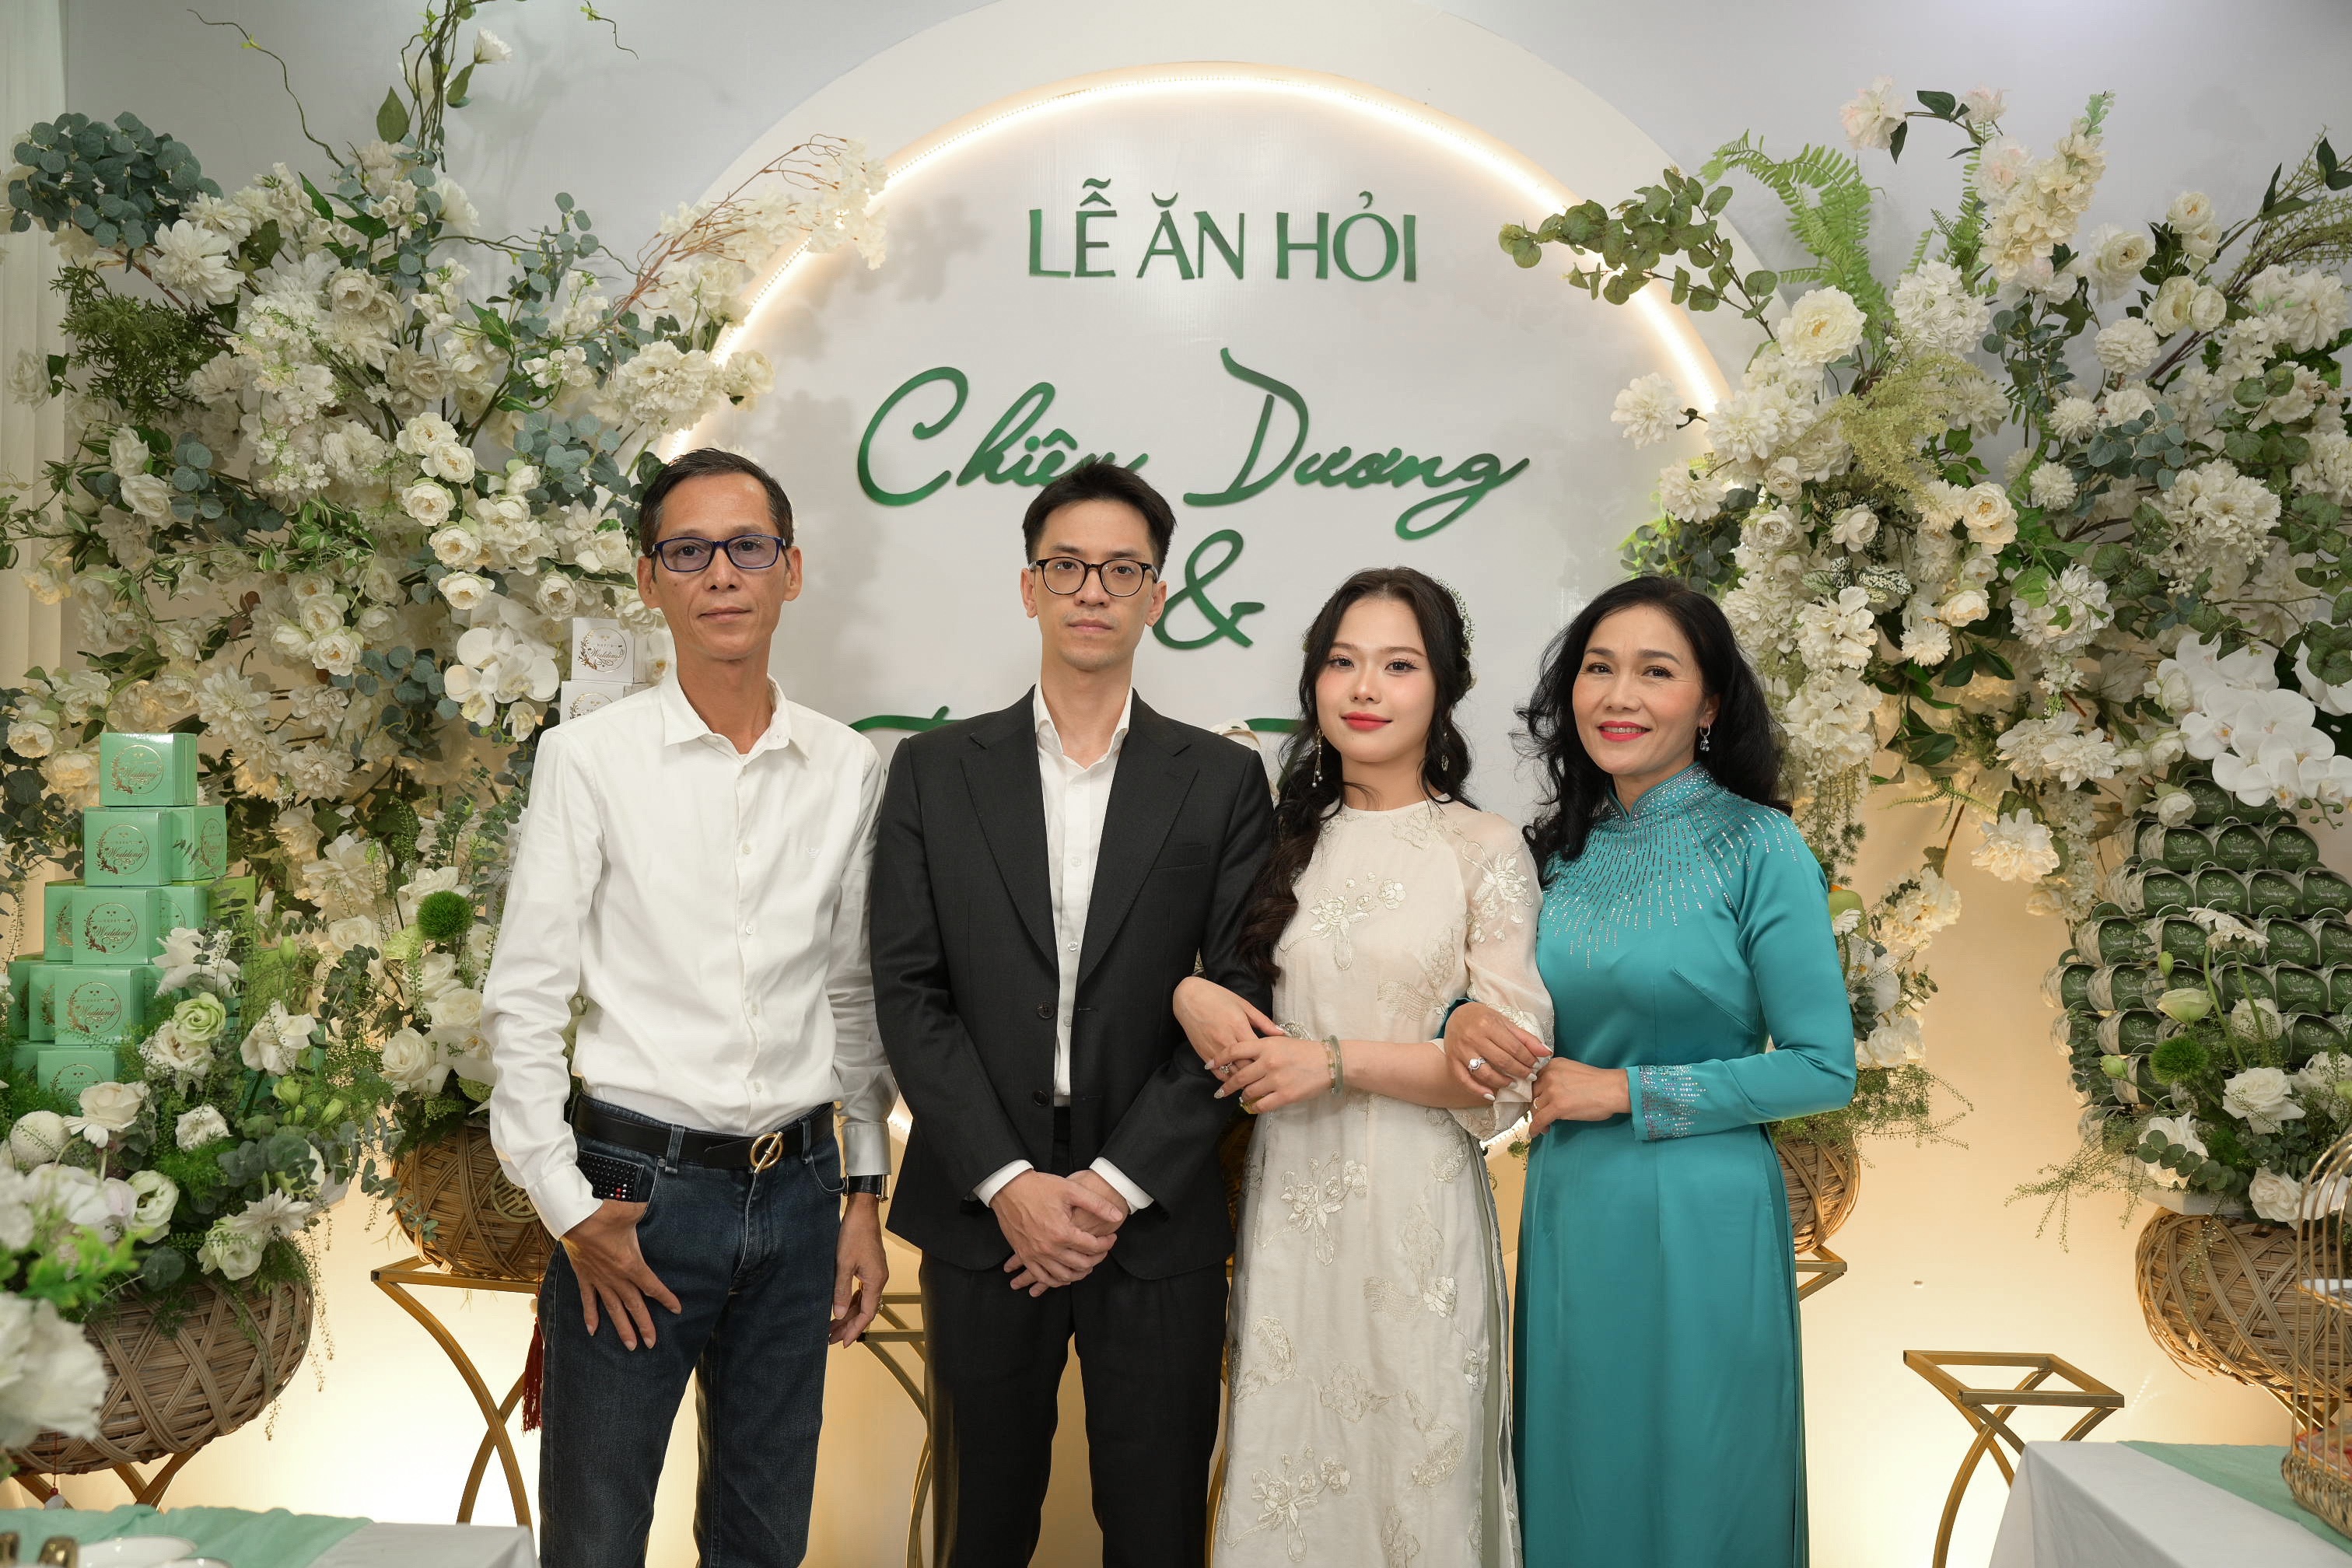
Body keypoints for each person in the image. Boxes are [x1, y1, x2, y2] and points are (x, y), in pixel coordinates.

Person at [484, 447, 896, 1567]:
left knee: (765, 1543)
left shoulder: (848, 767)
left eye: (748, 548)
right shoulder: (588, 760)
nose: (721, 574)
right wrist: (568, 1208)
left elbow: (854, 994)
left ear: (791, 571)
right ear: (649, 580)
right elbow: (524, 997)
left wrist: (863, 1194)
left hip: (802, 1192)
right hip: (637, 1197)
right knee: (597, 1541)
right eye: (689, 551)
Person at [870, 460, 1274, 1568]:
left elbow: (1245, 996)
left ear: (1158, 595)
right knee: (980, 1528)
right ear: (1029, 587)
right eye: (1067, 566)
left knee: (1157, 1532)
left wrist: (1109, 1187)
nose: (1093, 589)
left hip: (1154, 1208)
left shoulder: (1222, 779)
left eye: (1122, 570)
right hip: (981, 1209)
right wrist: (1010, 1183)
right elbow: (909, 991)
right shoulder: (934, 771)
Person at [1443, 575, 1854, 1568]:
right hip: (1575, 1204)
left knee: (1702, 1475)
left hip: (1705, 1208)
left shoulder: (1759, 845)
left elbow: (1823, 1068)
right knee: (1580, 1472)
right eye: (1599, 669)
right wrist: (1463, 1017)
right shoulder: (1559, 853)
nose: (1619, 696)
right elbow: (1501, 1004)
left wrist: (1625, 1092)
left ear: (1709, 705)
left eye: (1655, 672)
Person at [1176, 568, 1549, 1567]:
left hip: (1418, 1216)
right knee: (1288, 1469)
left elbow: (1510, 1072)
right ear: (1313, 682)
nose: (1366, 688)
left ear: (1446, 687)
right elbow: (1180, 969)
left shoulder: (1481, 848)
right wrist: (1185, 991)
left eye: (1399, 665)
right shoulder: (1272, 842)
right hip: (1289, 1206)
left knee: (1417, 1478)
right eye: (1342, 662)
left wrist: (1334, 1063)